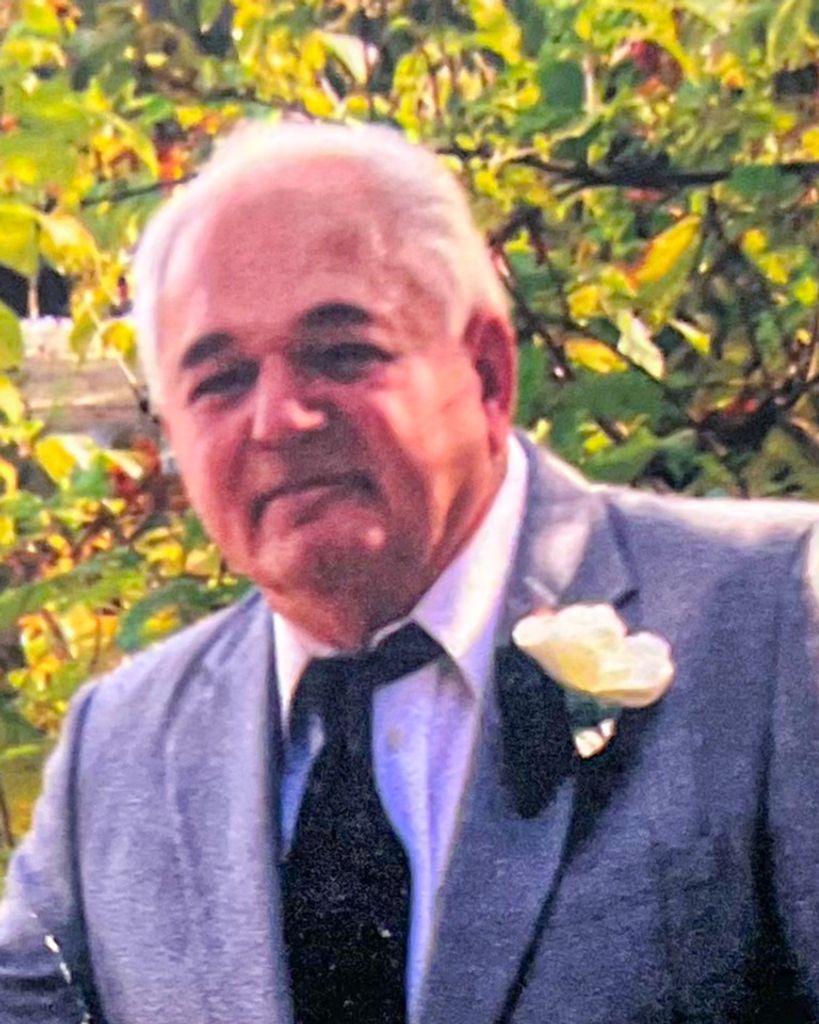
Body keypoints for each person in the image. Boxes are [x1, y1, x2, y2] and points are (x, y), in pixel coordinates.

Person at [1, 121, 818, 1024]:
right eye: (221, 380)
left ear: (486, 373)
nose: (277, 419)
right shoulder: (117, 750)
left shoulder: (775, 619)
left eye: (341, 352)